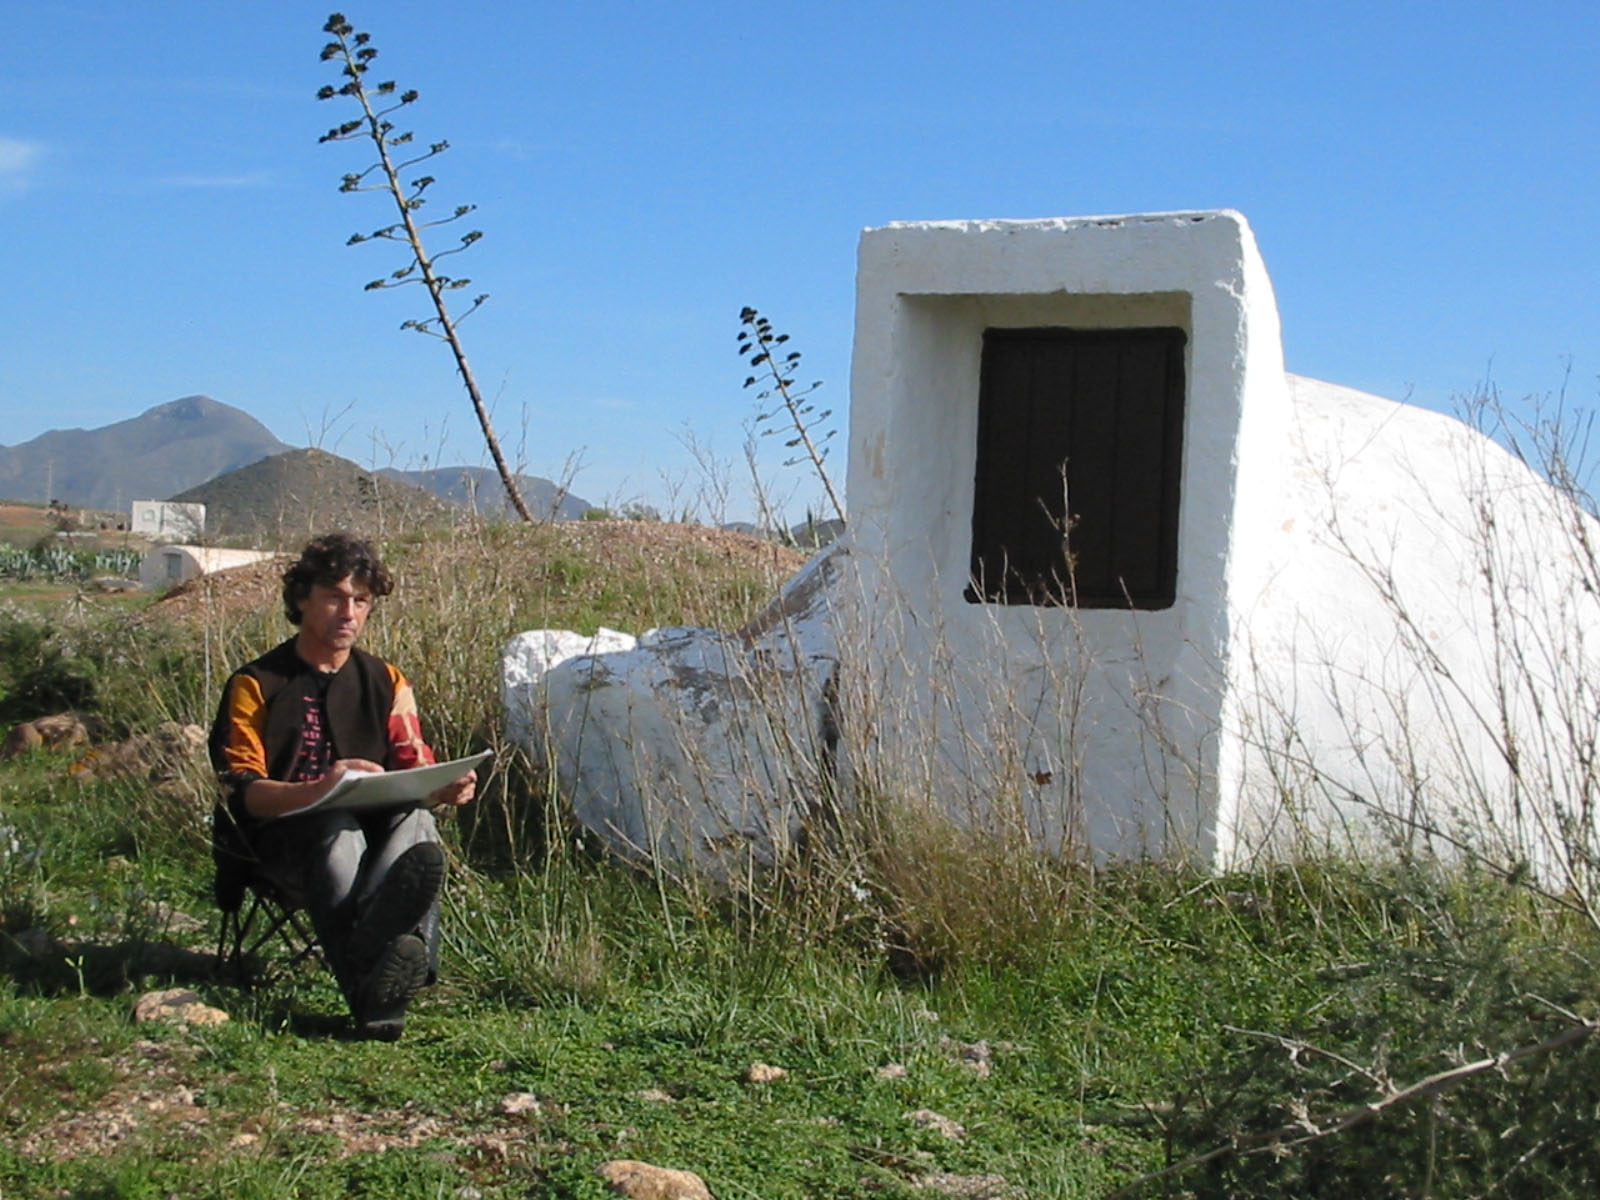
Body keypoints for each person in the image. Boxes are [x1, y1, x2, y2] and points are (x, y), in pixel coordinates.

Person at [208, 532, 476, 1040]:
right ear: (302, 598)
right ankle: (378, 982)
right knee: (337, 826)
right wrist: (319, 789)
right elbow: (241, 791)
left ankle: (372, 962)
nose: (347, 612)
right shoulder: (256, 684)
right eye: (334, 596)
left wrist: (447, 787)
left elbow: (415, 762)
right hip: (281, 845)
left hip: (377, 845)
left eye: (361, 600)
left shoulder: (388, 682)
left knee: (417, 820)